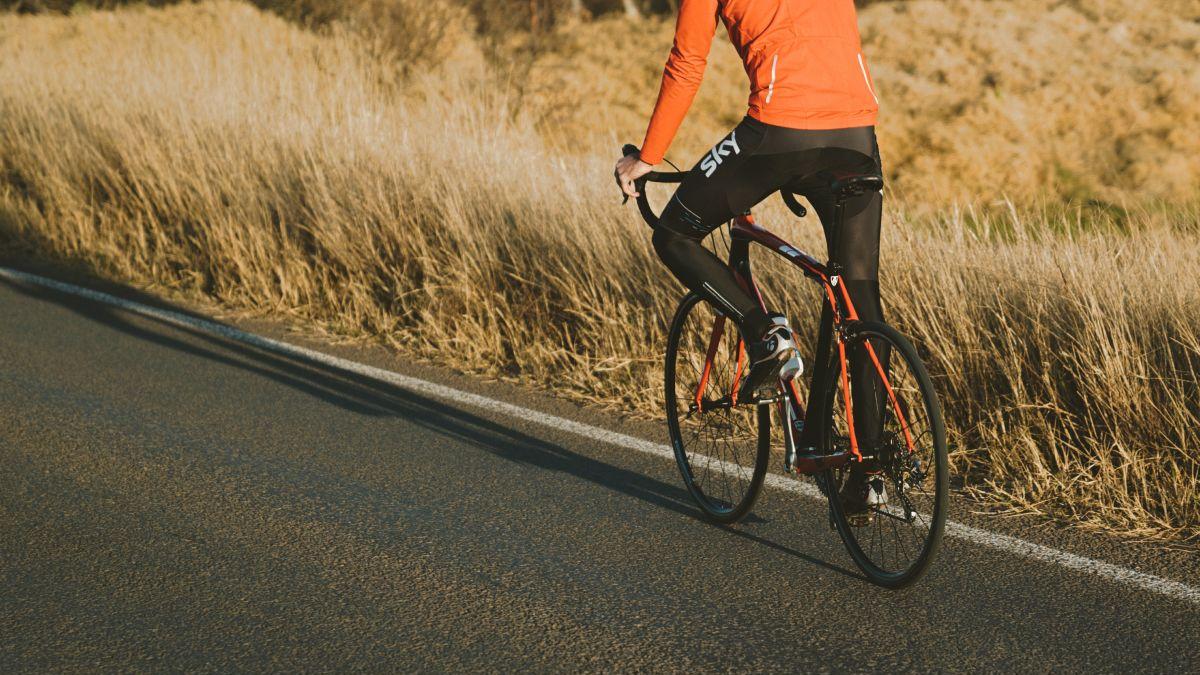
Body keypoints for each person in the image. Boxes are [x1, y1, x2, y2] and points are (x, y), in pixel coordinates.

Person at [614, 0, 886, 517]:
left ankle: (766, 334)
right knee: (857, 291)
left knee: (674, 235)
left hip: (779, 130)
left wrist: (647, 158)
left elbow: (687, 62)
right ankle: (870, 468)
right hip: (857, 132)